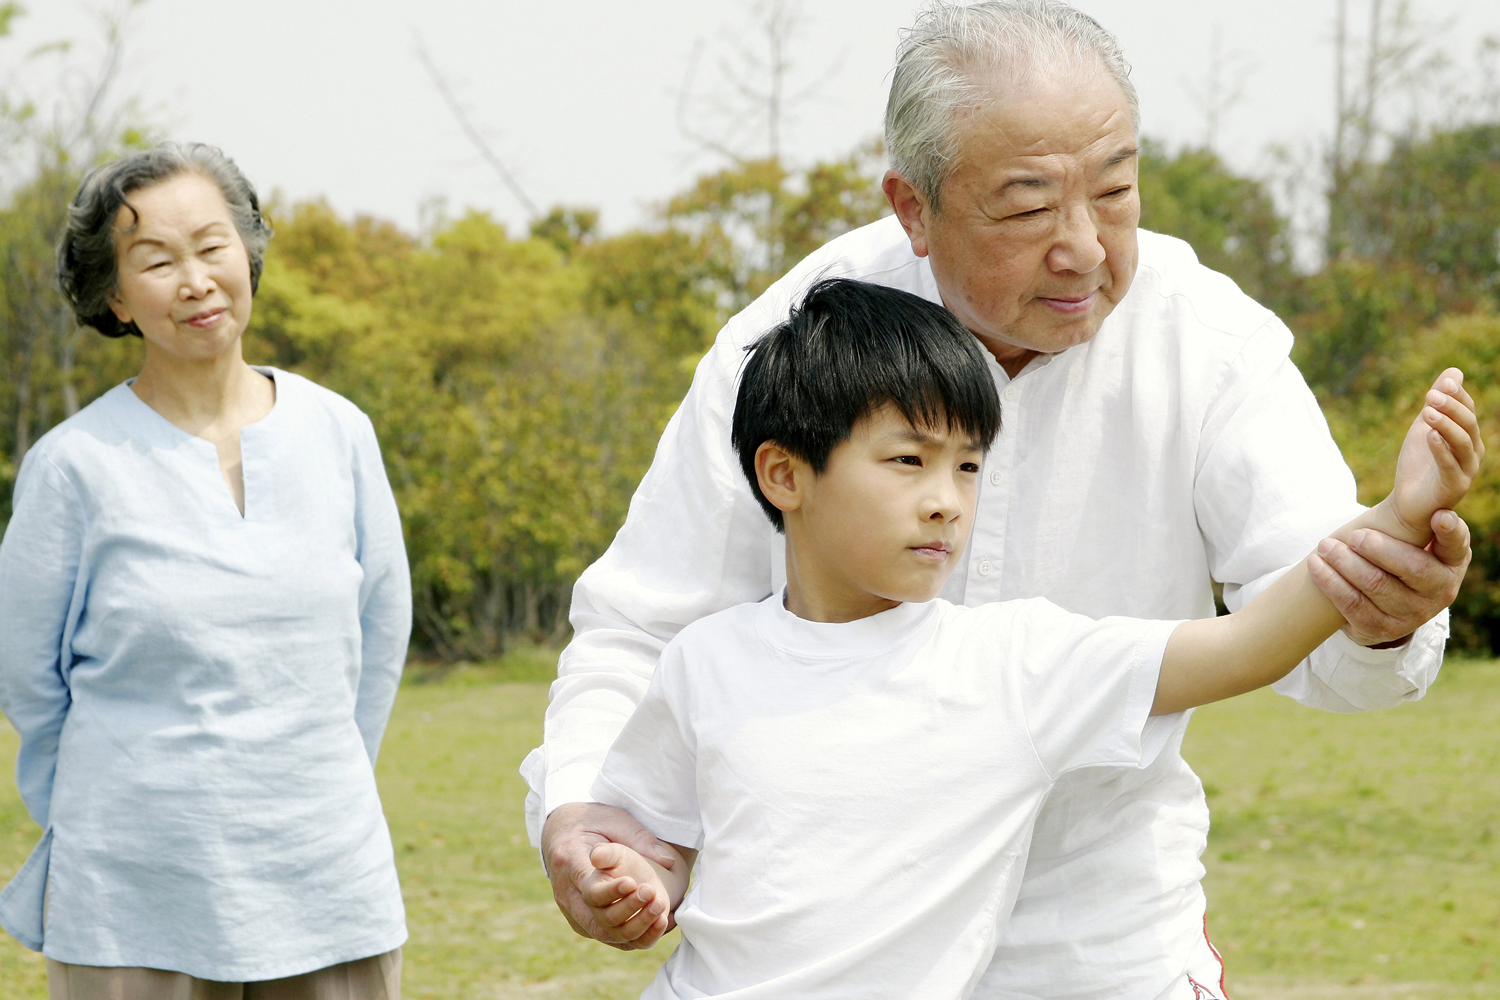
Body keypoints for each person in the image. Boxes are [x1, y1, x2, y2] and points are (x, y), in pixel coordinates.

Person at [524, 3, 1474, 998]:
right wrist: (591, 820)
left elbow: (1311, 627)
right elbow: (644, 625)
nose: (1085, 249)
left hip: (1100, 947)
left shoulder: (1210, 345)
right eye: (1025, 208)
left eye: (1115, 191)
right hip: (818, 953)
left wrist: (1382, 603)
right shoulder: (797, 341)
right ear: (913, 206)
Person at [570, 278, 1482, 1000]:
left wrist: (1396, 516)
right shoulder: (705, 663)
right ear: (785, 474)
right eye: (908, 461)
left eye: (968, 466)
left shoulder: (1013, 665)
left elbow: (1252, 642)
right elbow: (660, 834)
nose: (947, 498)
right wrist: (639, 878)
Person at [0, 143, 410, 999]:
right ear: (114, 295)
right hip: (131, 896)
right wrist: (101, 815)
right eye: (156, 260)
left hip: (327, 879)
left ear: (248, 252)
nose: (196, 280)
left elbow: (378, 636)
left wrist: (306, 779)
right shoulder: (73, 465)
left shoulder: (339, 433)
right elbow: (29, 681)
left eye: (212, 245)